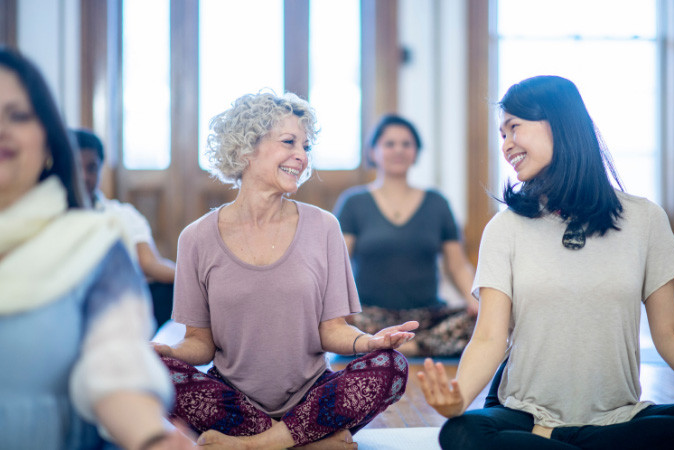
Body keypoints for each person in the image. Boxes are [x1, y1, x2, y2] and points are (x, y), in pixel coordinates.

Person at [417, 75, 674, 449]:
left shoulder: (645, 220)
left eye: (514, 128)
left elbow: (671, 333)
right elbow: (489, 336)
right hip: (526, 418)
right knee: (462, 433)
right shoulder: (505, 228)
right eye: (502, 135)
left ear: (559, 124)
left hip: (618, 419)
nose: (506, 144)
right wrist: (459, 397)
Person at [152, 92, 418, 449]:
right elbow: (200, 343)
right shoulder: (196, 238)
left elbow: (332, 331)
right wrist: (168, 353)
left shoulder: (324, 226)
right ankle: (309, 441)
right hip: (232, 401)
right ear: (245, 148)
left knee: (392, 365)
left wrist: (371, 343)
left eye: (306, 146)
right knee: (152, 373)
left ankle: (257, 444)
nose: (302, 156)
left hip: (312, 397)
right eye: (289, 142)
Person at [0, 47, 193, 449]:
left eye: (17, 115)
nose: (2, 128)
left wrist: (151, 436)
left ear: (47, 141)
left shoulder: (94, 243)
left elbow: (114, 365)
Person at [333, 114, 477, 357]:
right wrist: (336, 310)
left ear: (416, 152)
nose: (398, 150)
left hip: (425, 319)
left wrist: (475, 300)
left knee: (479, 322)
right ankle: (402, 345)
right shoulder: (353, 202)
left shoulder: (437, 203)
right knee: (335, 324)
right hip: (368, 318)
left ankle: (402, 345)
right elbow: (337, 264)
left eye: (406, 144)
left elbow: (457, 265)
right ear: (373, 151)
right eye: (390, 144)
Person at [72, 128, 176, 327]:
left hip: (120, 299)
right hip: (74, 300)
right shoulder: (48, 215)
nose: (84, 176)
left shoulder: (123, 215)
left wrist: (200, 281)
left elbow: (150, 263)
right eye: (77, 168)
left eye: (92, 168)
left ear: (101, 169)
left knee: (170, 290)